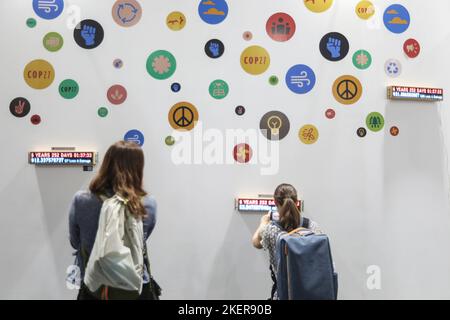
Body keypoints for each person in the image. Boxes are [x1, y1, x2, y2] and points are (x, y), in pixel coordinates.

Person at [68, 141, 157, 300]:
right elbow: (141, 241)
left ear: (106, 164)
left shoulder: (81, 200)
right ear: (138, 167)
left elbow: (75, 242)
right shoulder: (147, 203)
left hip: (94, 288)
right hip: (134, 287)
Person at [252, 183, 322, 300]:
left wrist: (263, 223)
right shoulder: (312, 227)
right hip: (312, 295)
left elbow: (256, 243)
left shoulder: (271, 230)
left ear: (275, 202)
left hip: (283, 296)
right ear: (297, 202)